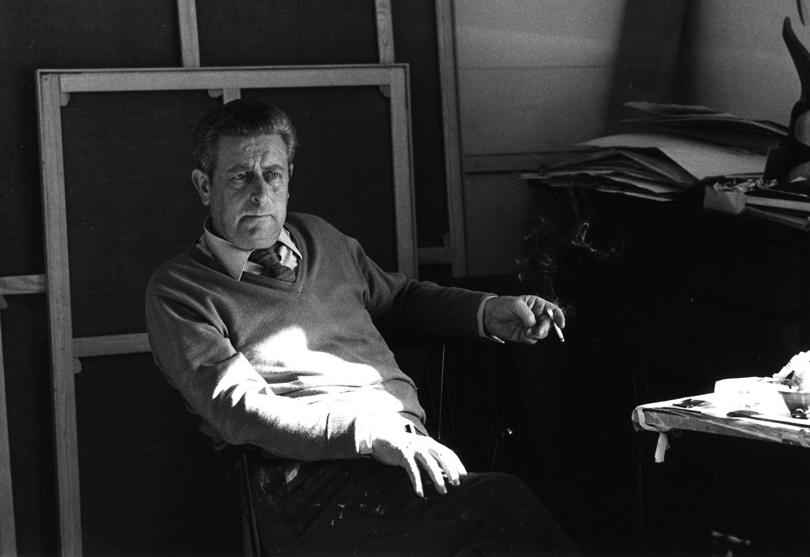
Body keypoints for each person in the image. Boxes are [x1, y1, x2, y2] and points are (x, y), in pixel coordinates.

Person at [145, 99, 581, 556]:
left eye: (272, 174)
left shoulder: (321, 239)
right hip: (306, 486)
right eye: (239, 177)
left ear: (289, 177)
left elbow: (401, 298)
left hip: (400, 452)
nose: (260, 194)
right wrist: (371, 432)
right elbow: (240, 410)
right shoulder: (180, 290)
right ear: (203, 186)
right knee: (500, 506)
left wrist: (487, 311)